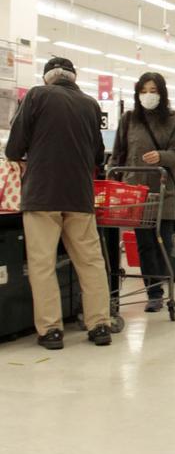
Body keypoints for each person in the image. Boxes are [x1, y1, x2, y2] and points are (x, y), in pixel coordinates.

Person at [5, 56, 112, 350]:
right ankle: (100, 324)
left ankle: (51, 331)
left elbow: (14, 147)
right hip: (79, 196)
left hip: (42, 195)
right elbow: (98, 156)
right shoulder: (90, 104)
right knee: (90, 262)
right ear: (73, 78)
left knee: (43, 264)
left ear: (46, 77)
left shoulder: (37, 96)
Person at [111, 73, 175, 311]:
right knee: (144, 244)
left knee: (161, 242)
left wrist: (161, 157)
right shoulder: (129, 119)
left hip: (163, 191)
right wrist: (113, 178)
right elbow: (118, 152)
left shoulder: (174, 122)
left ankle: (159, 285)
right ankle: (154, 293)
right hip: (136, 193)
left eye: (153, 90)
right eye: (144, 90)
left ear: (161, 93)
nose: (148, 95)